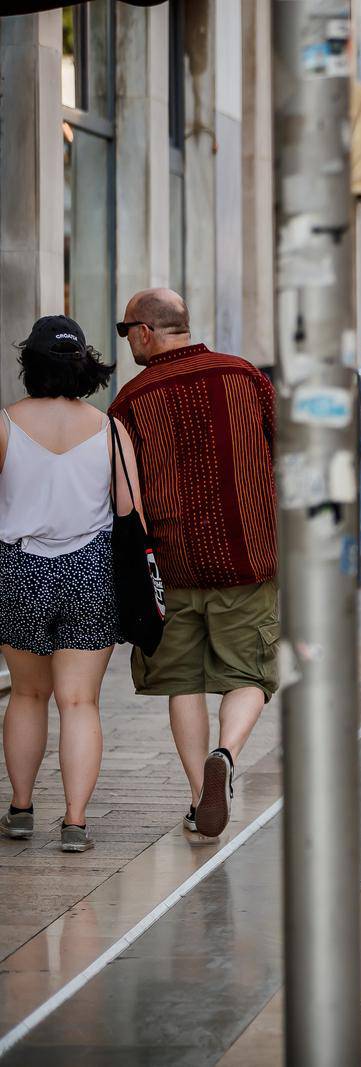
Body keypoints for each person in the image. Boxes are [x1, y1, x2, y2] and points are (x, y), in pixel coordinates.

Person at [109, 289, 278, 839]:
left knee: (182, 681)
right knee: (249, 672)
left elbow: (122, 495)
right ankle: (226, 755)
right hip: (247, 555)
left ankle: (196, 797)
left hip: (170, 563)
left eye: (125, 329)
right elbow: (278, 452)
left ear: (144, 332)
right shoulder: (244, 377)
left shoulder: (130, 403)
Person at [0, 317, 136, 853]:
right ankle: (76, 822)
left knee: (28, 695)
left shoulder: (5, 424)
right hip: (90, 569)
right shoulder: (109, 430)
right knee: (80, 702)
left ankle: (20, 809)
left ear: (29, 365)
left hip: (20, 570)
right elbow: (129, 513)